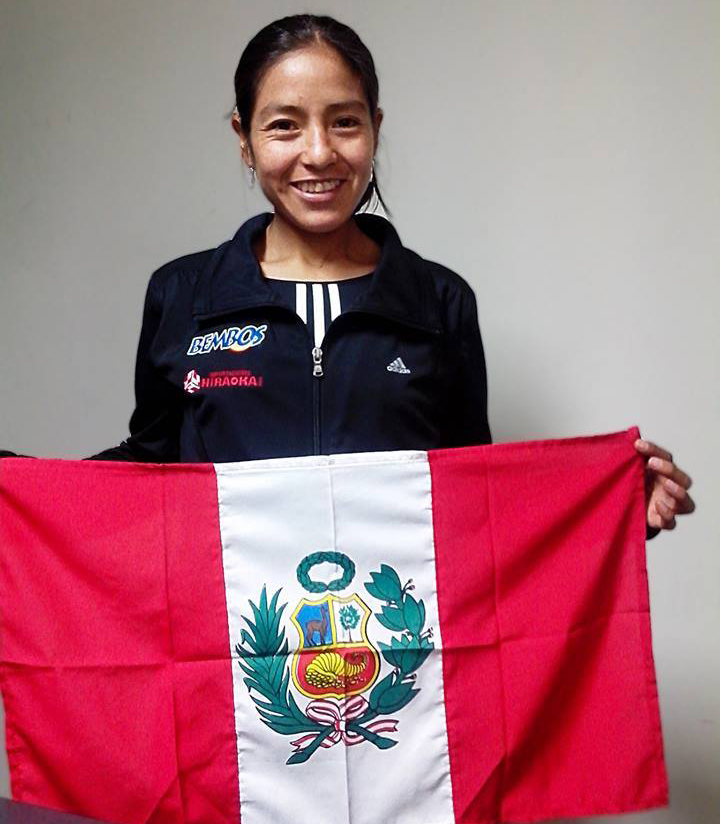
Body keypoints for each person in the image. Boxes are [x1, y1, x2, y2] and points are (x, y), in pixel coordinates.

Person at [2, 14, 694, 536]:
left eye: (343, 122)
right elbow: (149, 472)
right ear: (243, 138)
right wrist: (16, 487)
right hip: (234, 652)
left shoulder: (439, 301)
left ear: (374, 126)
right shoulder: (182, 295)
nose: (318, 153)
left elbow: (471, 499)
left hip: (394, 655)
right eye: (284, 126)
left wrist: (609, 502)